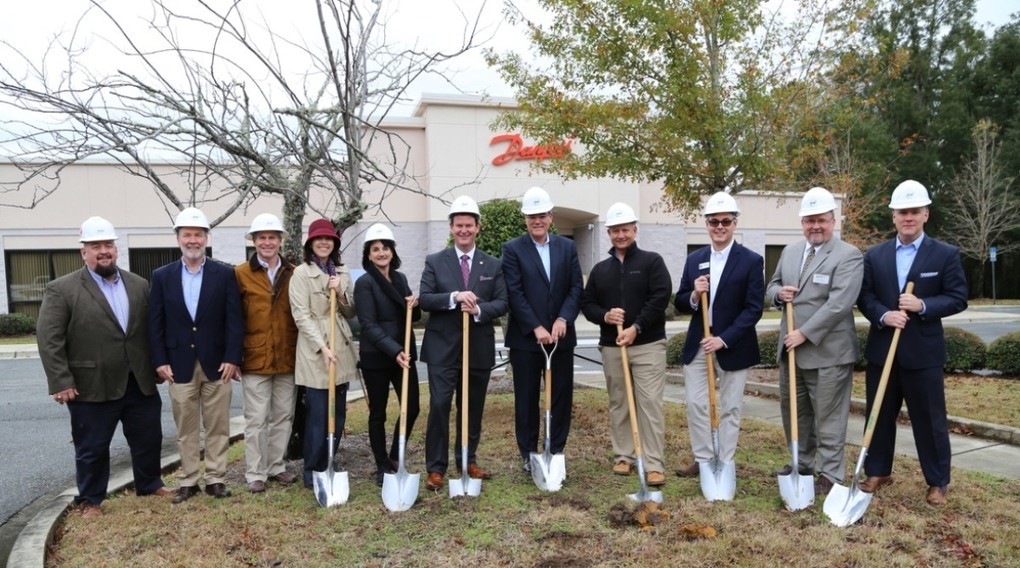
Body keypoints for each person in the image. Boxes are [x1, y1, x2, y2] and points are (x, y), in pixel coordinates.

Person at [36, 216, 171, 518]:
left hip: (139, 380)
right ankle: (91, 500)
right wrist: (60, 380)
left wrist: (158, 364)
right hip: (90, 385)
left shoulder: (139, 284)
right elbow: (49, 339)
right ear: (83, 251)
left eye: (108, 244)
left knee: (149, 438)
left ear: (116, 248)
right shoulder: (63, 289)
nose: (103, 251)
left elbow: (151, 330)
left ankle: (149, 484)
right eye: (95, 245)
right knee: (92, 447)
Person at [856, 180, 968, 506]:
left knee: (930, 420)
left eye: (914, 211)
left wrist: (923, 306)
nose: (908, 217)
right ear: (893, 216)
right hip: (882, 351)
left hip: (923, 353)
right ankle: (878, 471)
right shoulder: (874, 256)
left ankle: (937, 481)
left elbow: (958, 297)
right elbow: (865, 297)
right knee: (877, 415)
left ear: (925, 215)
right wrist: (883, 315)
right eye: (902, 212)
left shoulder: (945, 254)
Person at [765, 187, 863, 497]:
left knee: (829, 417)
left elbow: (839, 304)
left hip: (828, 353)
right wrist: (778, 295)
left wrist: (804, 333)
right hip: (792, 352)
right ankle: (802, 464)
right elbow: (773, 285)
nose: (815, 226)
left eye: (821, 220)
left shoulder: (848, 255)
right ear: (802, 223)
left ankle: (831, 474)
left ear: (833, 220)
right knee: (796, 413)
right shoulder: (792, 251)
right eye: (809, 221)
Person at [149, 207, 243, 503]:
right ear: (178, 238)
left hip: (218, 364)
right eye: (187, 234)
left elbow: (234, 320)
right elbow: (155, 323)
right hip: (178, 366)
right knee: (186, 428)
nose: (193, 240)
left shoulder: (224, 274)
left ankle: (215, 478)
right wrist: (160, 361)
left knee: (218, 426)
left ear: (206, 238)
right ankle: (189, 480)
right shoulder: (162, 276)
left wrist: (232, 357)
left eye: (198, 235)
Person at [419, 195, 508, 491]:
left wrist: (480, 310)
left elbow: (503, 301)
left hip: (477, 349)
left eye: (469, 225)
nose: (464, 230)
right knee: (441, 405)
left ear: (478, 227)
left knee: (472, 407)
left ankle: (467, 459)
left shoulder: (492, 264)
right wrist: (454, 297)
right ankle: (436, 468)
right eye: (459, 225)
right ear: (451, 227)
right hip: (443, 349)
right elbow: (425, 299)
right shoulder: (435, 261)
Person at [580, 202, 672, 488]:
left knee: (649, 404)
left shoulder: (651, 262)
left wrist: (636, 327)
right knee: (619, 402)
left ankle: (654, 463)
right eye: (615, 230)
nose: (621, 235)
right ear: (608, 232)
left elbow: (660, 297)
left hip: (647, 344)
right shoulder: (600, 270)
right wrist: (605, 316)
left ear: (634, 229)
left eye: (625, 229)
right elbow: (587, 304)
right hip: (612, 346)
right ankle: (624, 456)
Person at [674, 192, 764, 479]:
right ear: (707, 224)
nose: (720, 227)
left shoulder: (751, 261)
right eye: (714, 222)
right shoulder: (695, 259)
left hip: (731, 344)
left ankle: (724, 461)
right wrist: (694, 294)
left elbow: (753, 309)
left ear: (735, 223)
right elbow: (679, 301)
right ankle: (703, 459)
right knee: (697, 404)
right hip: (699, 343)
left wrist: (723, 339)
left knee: (730, 407)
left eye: (726, 221)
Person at [501, 187, 583, 474]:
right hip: (526, 339)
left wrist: (563, 319)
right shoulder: (512, 249)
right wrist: (535, 326)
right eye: (531, 216)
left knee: (560, 395)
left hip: (561, 337)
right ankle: (528, 452)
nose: (537, 220)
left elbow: (575, 287)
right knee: (526, 396)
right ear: (525, 219)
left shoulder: (567, 247)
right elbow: (514, 291)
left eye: (542, 215)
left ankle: (556, 449)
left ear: (551, 217)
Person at [289, 218, 358, 490]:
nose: (324, 243)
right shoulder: (301, 273)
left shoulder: (342, 271)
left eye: (329, 239)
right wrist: (323, 347)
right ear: (310, 243)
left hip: (340, 344)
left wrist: (340, 292)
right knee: (318, 413)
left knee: (338, 412)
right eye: (319, 239)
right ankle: (313, 467)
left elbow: (351, 311)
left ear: (335, 243)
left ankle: (330, 460)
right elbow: (301, 315)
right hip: (315, 350)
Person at [234, 213, 300, 493]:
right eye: (261, 237)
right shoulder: (240, 274)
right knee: (256, 419)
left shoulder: (294, 272)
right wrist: (234, 356)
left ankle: (276, 466)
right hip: (255, 358)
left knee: (283, 416)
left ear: (280, 240)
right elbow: (233, 318)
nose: (267, 242)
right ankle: (255, 472)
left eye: (272, 237)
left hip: (287, 356)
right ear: (254, 241)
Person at [354, 223, 421, 487]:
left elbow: (410, 317)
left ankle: (395, 456)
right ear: (368, 255)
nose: (381, 253)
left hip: (404, 354)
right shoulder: (365, 283)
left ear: (392, 251)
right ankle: (382, 465)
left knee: (412, 407)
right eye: (375, 249)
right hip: (378, 357)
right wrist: (394, 351)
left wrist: (415, 305)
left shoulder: (400, 278)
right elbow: (368, 326)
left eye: (385, 248)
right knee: (378, 414)